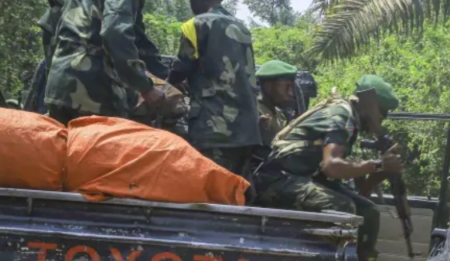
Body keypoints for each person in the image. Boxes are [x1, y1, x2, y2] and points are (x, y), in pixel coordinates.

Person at [254, 74, 402, 261]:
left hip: (302, 178)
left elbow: (361, 190)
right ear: (369, 106)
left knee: (368, 211)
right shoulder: (340, 117)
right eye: (382, 113)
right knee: (341, 206)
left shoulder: (350, 122)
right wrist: (377, 164)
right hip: (277, 180)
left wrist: (382, 170)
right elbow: (332, 166)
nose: (381, 119)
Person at [169, 0, 261, 176]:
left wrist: (166, 85)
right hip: (247, 128)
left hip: (214, 127)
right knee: (238, 188)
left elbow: (180, 68)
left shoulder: (197, 24)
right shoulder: (241, 27)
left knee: (211, 190)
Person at [44, 0, 168, 124]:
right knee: (102, 143)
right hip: (95, 93)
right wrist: (144, 87)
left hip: (59, 86)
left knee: (64, 141)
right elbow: (115, 32)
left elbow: (138, 38)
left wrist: (164, 74)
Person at [253, 60, 296, 164]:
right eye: (286, 87)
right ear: (268, 87)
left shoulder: (280, 114)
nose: (291, 93)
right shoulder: (254, 112)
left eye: (291, 87)